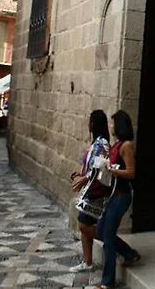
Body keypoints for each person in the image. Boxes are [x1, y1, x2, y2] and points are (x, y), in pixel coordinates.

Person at [95, 110, 140, 289]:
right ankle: (129, 254)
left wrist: (113, 170)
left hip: (121, 196)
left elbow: (131, 172)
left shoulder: (126, 146)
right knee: (101, 230)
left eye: (113, 123)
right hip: (112, 195)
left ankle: (108, 281)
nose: (111, 126)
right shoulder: (116, 144)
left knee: (107, 237)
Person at [69, 110, 111, 273]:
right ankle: (87, 261)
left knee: (83, 224)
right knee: (84, 223)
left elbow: (100, 167)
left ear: (94, 124)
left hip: (95, 191)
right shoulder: (97, 142)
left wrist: (85, 178)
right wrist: (81, 172)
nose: (88, 124)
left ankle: (113, 242)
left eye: (90, 121)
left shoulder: (102, 143)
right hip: (89, 189)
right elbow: (91, 164)